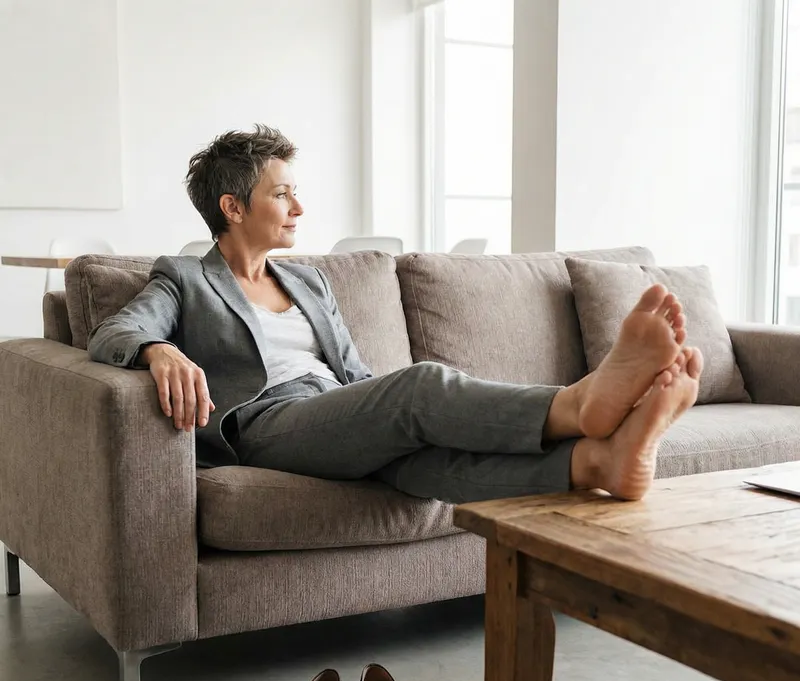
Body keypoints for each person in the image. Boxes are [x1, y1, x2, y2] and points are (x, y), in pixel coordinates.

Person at [88, 125, 704, 504]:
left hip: (333, 410)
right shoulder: (187, 276)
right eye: (281, 193)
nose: (299, 205)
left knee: (423, 463)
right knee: (421, 385)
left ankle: (600, 462)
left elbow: (353, 373)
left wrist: (378, 409)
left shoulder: (307, 279)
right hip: (266, 426)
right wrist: (159, 350)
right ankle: (575, 407)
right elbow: (116, 330)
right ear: (233, 206)